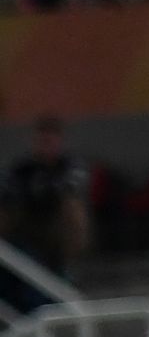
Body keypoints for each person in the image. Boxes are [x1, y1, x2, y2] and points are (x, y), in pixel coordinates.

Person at [0, 116, 89, 310]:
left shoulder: (70, 167)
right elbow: (9, 192)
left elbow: (64, 191)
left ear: (59, 142)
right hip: (24, 235)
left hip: (55, 239)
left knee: (70, 205)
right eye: (40, 141)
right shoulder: (23, 169)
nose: (44, 146)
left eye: (49, 141)